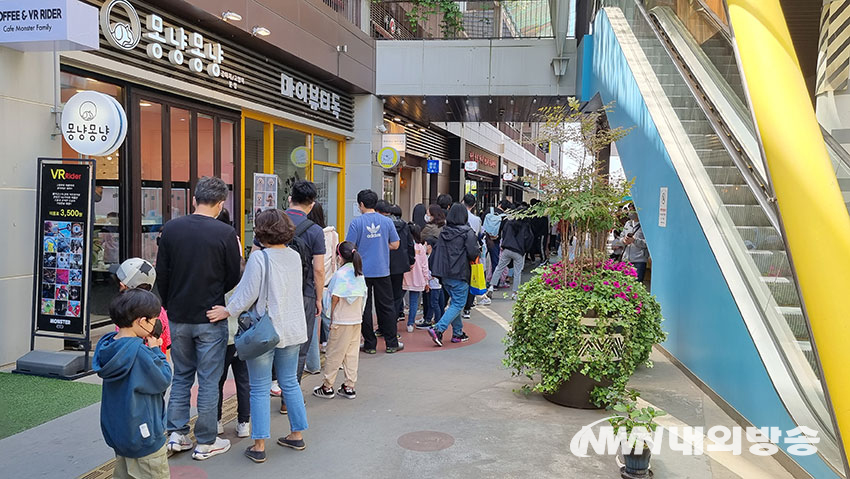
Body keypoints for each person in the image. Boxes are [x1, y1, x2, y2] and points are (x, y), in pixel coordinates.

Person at [207, 210, 308, 464]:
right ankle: (297, 434)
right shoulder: (294, 256)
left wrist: (227, 310)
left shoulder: (260, 258)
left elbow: (247, 293)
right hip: (293, 327)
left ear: (262, 232)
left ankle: (259, 444)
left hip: (265, 331)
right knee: (290, 382)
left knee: (260, 387)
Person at [156, 176, 240, 460]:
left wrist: (168, 304)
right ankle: (206, 440)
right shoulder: (225, 234)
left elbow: (162, 273)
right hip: (211, 316)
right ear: (220, 204)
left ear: (194, 199)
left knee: (180, 376)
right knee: (208, 380)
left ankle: (177, 434)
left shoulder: (171, 229)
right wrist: (216, 295)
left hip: (178, 315)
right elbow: (233, 276)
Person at [93, 289, 172, 479]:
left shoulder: (107, 346)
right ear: (141, 321)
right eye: (153, 320)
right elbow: (163, 378)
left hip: (120, 435)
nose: (155, 325)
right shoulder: (140, 353)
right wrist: (156, 351)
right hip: (145, 438)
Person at [347, 189, 401, 354]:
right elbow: (396, 244)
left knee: (364, 307)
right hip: (382, 270)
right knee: (387, 306)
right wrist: (382, 246)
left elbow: (350, 247)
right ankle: (392, 343)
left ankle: (370, 344)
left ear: (361, 204)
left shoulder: (356, 223)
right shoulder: (386, 222)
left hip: (362, 272)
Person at [312, 241, 367, 400]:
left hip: (341, 320)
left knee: (334, 353)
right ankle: (349, 386)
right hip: (356, 320)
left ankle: (327, 386)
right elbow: (363, 297)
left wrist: (330, 317)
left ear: (339, 256)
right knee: (351, 353)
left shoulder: (340, 275)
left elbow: (334, 298)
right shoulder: (359, 273)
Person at [213, 210, 250, 439]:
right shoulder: (245, 279)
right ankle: (244, 423)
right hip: (243, 336)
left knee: (217, 380)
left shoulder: (216, 280)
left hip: (222, 337)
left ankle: (216, 421)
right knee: (244, 381)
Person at [427, 203, 479, 347]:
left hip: (444, 274)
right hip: (460, 273)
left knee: (454, 303)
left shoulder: (445, 232)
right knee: (458, 304)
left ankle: (458, 333)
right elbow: (473, 253)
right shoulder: (467, 232)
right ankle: (438, 329)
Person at [109, 257, 171, 360]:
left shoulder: (124, 310)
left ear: (123, 286)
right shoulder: (159, 310)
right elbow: (167, 345)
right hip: (157, 366)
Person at [306, 202, 338, 373]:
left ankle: (313, 364)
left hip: (314, 284)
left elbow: (316, 267)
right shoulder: (333, 234)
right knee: (331, 323)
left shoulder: (309, 233)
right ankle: (337, 360)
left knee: (312, 326)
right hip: (330, 283)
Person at [486, 204, 534, 301]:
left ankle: (491, 287)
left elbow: (504, 234)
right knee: (517, 272)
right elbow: (529, 239)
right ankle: (514, 293)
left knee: (499, 268)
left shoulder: (510, 222)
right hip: (519, 251)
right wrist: (525, 250)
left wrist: (503, 245)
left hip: (507, 249)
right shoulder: (526, 225)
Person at [381, 202, 414, 324]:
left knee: (384, 296)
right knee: (396, 296)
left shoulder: (384, 225)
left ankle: (383, 325)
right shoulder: (405, 226)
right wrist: (411, 260)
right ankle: (391, 325)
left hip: (384, 263)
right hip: (400, 264)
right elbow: (410, 244)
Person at [403, 225, 429, 333]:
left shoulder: (404, 245)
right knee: (414, 302)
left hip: (404, 277)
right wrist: (426, 279)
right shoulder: (420, 247)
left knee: (398, 299)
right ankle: (410, 324)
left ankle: (393, 320)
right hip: (417, 279)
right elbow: (424, 265)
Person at [461, 194, 482, 319]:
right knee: (471, 279)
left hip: (460, 252)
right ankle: (467, 308)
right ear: (474, 205)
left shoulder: (456, 217)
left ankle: (459, 304)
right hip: (473, 252)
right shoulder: (476, 219)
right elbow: (478, 234)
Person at [615, 208, 649, 282]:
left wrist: (634, 241)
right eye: (630, 210)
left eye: (632, 210)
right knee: (624, 284)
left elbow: (648, 244)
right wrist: (623, 240)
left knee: (637, 284)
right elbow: (621, 237)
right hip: (626, 259)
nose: (630, 213)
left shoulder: (645, 225)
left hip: (639, 260)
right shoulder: (628, 223)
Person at [417, 236, 443, 329]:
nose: (425, 246)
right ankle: (434, 320)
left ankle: (435, 321)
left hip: (434, 284)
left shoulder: (433, 258)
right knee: (435, 303)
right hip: (435, 284)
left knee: (434, 303)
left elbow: (432, 273)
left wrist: (426, 279)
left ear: (430, 246)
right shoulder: (434, 256)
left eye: (426, 244)